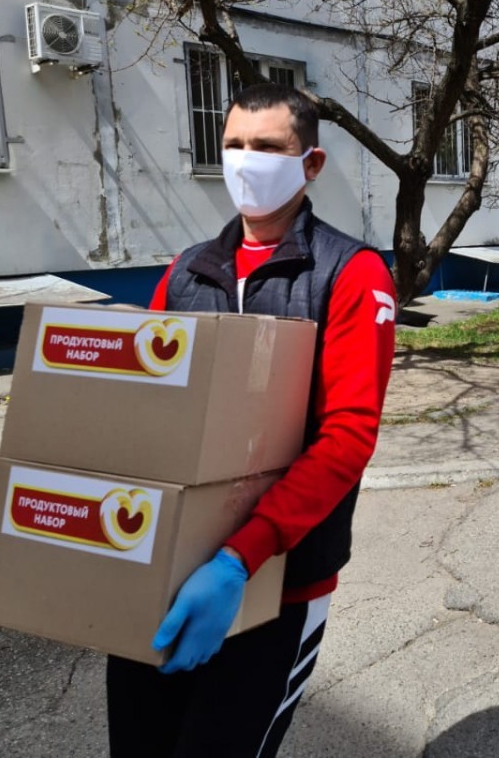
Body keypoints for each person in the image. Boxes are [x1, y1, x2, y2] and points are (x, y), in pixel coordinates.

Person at [105, 83, 396, 757]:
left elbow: (347, 436)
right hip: (168, 571)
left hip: (279, 582)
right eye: (233, 144)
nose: (244, 160)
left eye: (266, 147)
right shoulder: (187, 272)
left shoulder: (351, 274)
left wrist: (241, 557)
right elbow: (140, 410)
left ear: (311, 164)